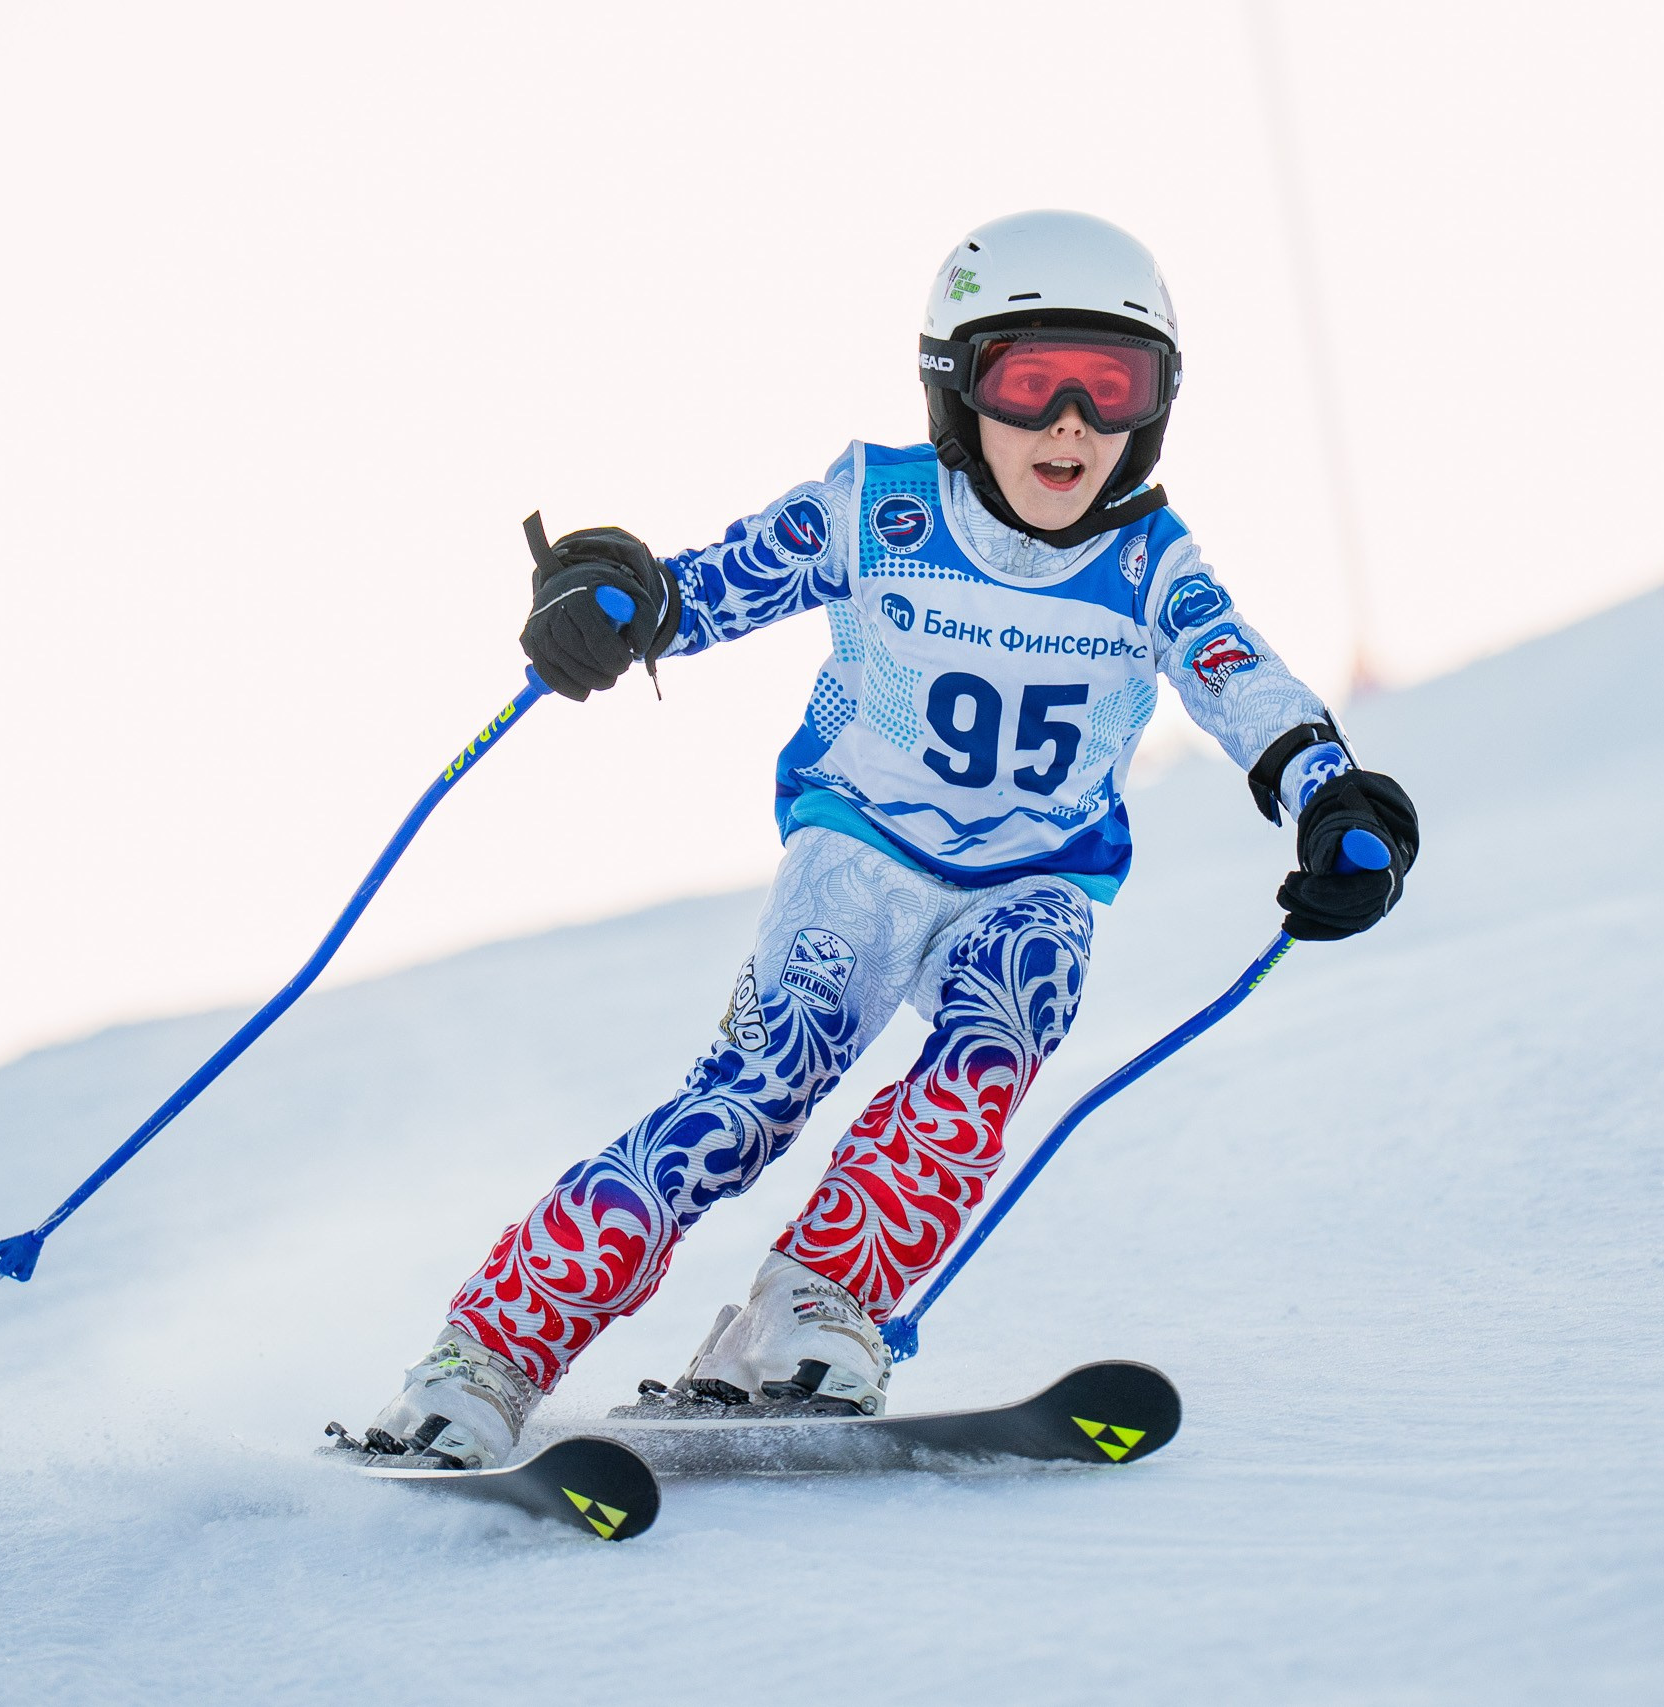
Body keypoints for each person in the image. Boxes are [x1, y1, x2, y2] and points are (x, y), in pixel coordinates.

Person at [366, 209, 1420, 1467]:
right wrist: (616, 595)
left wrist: (1332, 800)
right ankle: (485, 1355)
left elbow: (1245, 686)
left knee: (996, 1047)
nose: (1071, 424)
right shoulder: (879, 508)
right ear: (955, 387)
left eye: (1113, 386)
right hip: (860, 856)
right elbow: (705, 588)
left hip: (1033, 877)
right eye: (1029, 381)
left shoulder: (1152, 564)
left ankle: (810, 1306)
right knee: (752, 1097)